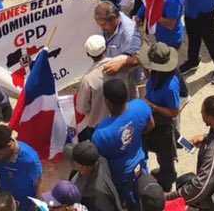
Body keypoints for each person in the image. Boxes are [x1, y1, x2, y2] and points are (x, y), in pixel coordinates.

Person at [91, 78, 153, 209]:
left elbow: (99, 160)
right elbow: (151, 126)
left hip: (120, 176)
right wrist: (135, 136)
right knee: (145, 194)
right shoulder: (140, 106)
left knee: (130, 203)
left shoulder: (101, 134)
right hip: (141, 162)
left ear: (107, 101)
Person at [139, 42, 182, 191]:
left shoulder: (171, 86)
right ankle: (164, 173)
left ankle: (167, 180)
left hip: (163, 126)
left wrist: (152, 106)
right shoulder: (157, 74)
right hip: (152, 120)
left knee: (165, 156)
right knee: (156, 150)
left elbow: (173, 112)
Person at [0, 125, 44, 211]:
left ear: (9, 145)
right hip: (3, 203)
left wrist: (41, 205)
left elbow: (38, 182)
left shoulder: (30, 159)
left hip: (25, 205)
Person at [69, 141, 123, 211]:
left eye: (74, 164)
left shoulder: (98, 194)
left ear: (83, 167)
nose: (72, 166)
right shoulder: (99, 160)